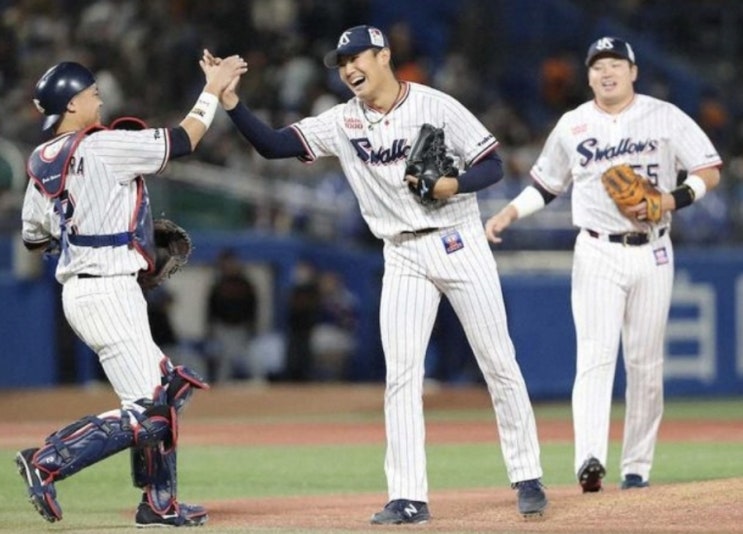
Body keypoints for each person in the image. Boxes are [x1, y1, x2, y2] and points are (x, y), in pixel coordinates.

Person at [205, 24, 547, 522]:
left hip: (457, 239)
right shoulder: (343, 121)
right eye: (342, 63)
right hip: (401, 253)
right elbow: (275, 146)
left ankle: (528, 475)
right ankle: (408, 496)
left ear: (384, 56)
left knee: (497, 360)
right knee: (402, 375)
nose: (348, 69)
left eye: (356, 58)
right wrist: (233, 103)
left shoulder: (437, 105)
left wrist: (454, 183)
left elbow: (493, 166)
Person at [18, 55, 247, 527]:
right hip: (107, 292)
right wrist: (213, 89)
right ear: (73, 102)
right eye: (92, 91)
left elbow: (34, 237)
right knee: (150, 412)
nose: (99, 96)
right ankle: (47, 460)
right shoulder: (105, 147)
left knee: (168, 391)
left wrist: (97, 229)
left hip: (88, 289)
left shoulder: (44, 160)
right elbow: (185, 139)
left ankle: (159, 503)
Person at [485, 36, 722, 493]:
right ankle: (589, 458)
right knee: (594, 357)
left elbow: (708, 168)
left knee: (645, 365)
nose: (606, 72)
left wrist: (672, 199)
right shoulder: (574, 125)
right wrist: (511, 211)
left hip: (653, 250)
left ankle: (637, 468)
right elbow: (546, 184)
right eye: (597, 66)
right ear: (588, 75)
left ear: (633, 71)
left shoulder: (665, 116)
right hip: (596, 250)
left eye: (615, 64)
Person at [205, 248, 259, 384]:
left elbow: (253, 306)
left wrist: (252, 326)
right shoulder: (218, 285)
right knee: (224, 359)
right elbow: (211, 309)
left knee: (248, 356)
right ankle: (220, 385)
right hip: (223, 327)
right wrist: (210, 328)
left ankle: (258, 380)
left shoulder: (245, 284)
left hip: (241, 327)